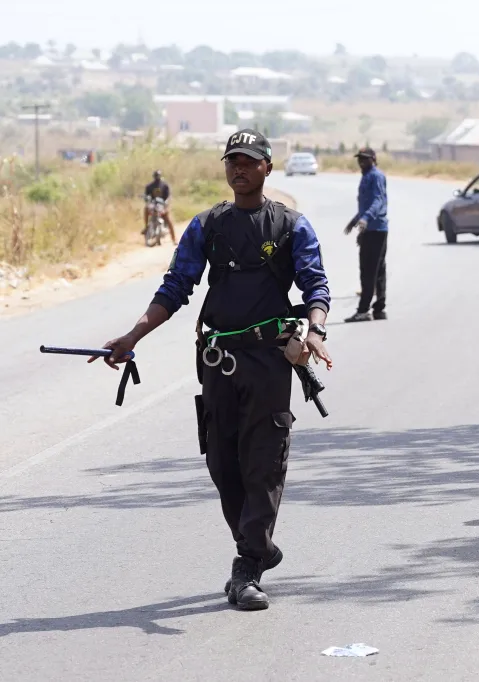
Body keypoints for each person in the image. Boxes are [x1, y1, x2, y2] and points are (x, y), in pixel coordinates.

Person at [90, 129, 333, 611]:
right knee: (223, 463)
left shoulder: (291, 226)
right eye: (231, 162)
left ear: (267, 167)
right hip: (218, 361)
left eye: (248, 161)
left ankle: (246, 569)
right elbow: (176, 286)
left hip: (268, 360)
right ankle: (260, 545)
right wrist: (132, 336)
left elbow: (316, 286)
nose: (238, 168)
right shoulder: (208, 226)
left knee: (262, 461)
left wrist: (315, 330)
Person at [344, 148, 388, 322]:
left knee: (368, 271)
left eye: (365, 159)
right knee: (377, 270)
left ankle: (363, 310)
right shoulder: (367, 175)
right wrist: (355, 220)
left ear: (374, 159)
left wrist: (365, 219)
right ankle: (379, 310)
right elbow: (366, 204)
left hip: (375, 229)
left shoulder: (376, 176)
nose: (361, 162)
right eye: (360, 159)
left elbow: (378, 200)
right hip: (373, 228)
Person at [143, 170, 177, 244]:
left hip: (162, 206)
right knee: (146, 209)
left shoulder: (164, 185)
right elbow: (146, 196)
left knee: (168, 219)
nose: (157, 178)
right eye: (156, 176)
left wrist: (166, 204)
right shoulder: (149, 186)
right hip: (153, 205)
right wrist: (147, 200)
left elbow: (168, 196)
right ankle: (146, 227)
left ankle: (174, 239)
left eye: (158, 176)